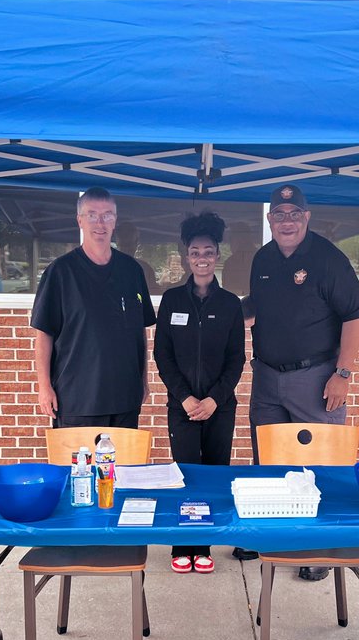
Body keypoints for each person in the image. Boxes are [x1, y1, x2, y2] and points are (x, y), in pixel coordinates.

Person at [247, 183, 359, 580]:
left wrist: (343, 374)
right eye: (279, 216)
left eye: (294, 215)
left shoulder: (328, 259)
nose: (287, 222)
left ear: (307, 217)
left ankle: (318, 552)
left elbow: (355, 316)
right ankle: (273, 537)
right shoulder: (262, 259)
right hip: (267, 377)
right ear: (269, 221)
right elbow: (261, 308)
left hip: (316, 378)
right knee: (269, 460)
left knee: (318, 465)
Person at [154, 211, 245, 575]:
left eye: (208, 252)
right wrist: (186, 399)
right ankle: (183, 544)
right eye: (195, 252)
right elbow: (163, 355)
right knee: (186, 475)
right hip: (182, 407)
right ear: (186, 257)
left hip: (219, 408)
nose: (202, 258)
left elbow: (236, 359)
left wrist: (213, 400)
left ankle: (203, 545)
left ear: (217, 256)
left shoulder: (230, 305)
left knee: (213, 474)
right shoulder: (173, 301)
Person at [31, 187, 156, 428]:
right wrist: (44, 387)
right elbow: (44, 333)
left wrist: (143, 379)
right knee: (78, 467)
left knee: (123, 467)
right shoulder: (60, 272)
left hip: (124, 399)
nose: (100, 222)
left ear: (115, 220)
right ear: (79, 220)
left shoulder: (132, 271)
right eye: (92, 214)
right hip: (77, 401)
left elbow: (139, 331)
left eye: (107, 214)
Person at [221, 220, 260, 297]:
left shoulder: (261, 259)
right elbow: (227, 290)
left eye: (232, 238)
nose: (230, 243)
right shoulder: (230, 263)